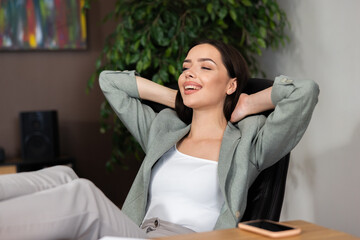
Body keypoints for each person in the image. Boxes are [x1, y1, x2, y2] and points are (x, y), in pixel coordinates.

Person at [0, 39, 319, 239]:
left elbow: (305, 92)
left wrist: (251, 102)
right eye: (186, 68)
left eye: (205, 67)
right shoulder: (164, 130)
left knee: (84, 195)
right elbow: (109, 81)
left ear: (231, 85)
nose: (190, 73)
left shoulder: (248, 144)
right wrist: (177, 97)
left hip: (186, 238)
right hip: (134, 233)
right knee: (62, 174)